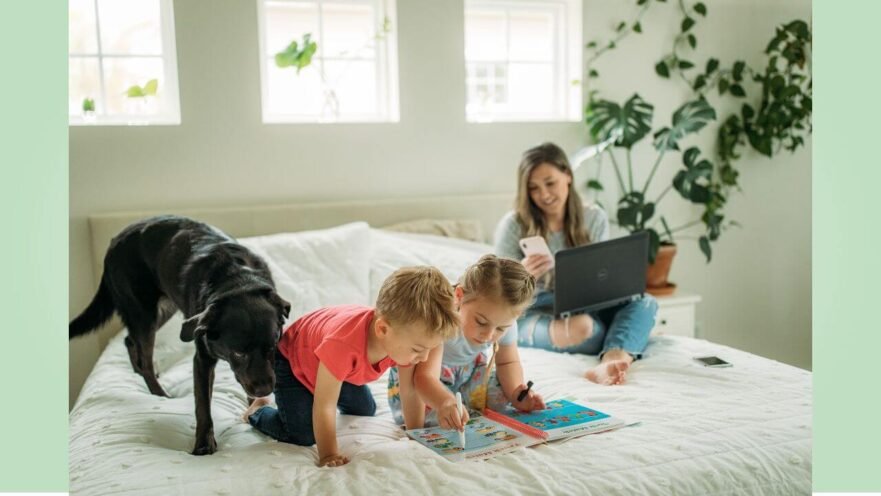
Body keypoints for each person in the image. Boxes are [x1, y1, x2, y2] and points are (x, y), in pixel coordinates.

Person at [242, 266, 459, 467]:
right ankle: (258, 410)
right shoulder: (343, 345)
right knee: (303, 435)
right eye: (418, 349)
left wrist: (415, 433)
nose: (423, 358)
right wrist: (328, 454)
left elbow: (409, 391)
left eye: (430, 349)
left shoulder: (402, 339)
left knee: (366, 409)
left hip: (334, 364)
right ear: (382, 329)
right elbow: (324, 405)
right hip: (292, 360)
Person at [494, 142, 658, 386]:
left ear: (568, 175)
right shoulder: (514, 225)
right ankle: (619, 338)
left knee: (645, 303)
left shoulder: (593, 217)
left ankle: (611, 359)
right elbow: (496, 294)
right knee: (585, 329)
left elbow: (602, 278)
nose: (544, 195)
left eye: (550, 183)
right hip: (534, 310)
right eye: (533, 188)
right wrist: (522, 275)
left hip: (586, 304)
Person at [388, 254, 545, 431]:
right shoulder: (441, 318)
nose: (488, 335)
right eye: (481, 322)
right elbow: (423, 378)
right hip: (427, 383)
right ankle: (453, 409)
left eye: (500, 329)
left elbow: (507, 361)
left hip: (469, 374)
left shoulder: (505, 319)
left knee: (503, 397)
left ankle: (463, 408)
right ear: (459, 296)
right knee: (443, 419)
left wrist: (516, 393)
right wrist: (445, 402)